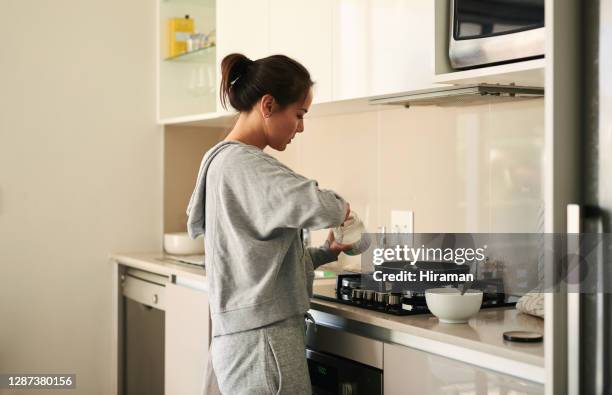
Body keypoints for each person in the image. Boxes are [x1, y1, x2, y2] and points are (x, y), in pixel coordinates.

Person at [186, 53, 351, 395]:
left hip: (243, 342)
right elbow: (322, 205)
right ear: (268, 105)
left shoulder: (220, 158)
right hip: (263, 344)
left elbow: (254, 256)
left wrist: (323, 253)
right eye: (299, 114)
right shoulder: (246, 165)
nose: (301, 127)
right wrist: (345, 207)